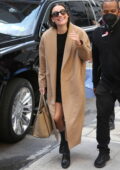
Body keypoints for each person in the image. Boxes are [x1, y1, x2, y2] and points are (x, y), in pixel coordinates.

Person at [38, 3, 91, 169]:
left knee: (71, 118)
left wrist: (79, 44)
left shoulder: (79, 32)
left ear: (67, 14)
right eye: (55, 14)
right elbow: (42, 62)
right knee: (56, 117)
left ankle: (66, 149)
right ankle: (64, 138)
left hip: (72, 84)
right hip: (55, 85)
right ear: (52, 18)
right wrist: (42, 83)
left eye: (62, 12)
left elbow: (87, 56)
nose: (59, 15)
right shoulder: (47, 36)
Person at [92, 0, 120, 168]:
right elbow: (96, 60)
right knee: (102, 118)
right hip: (106, 83)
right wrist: (95, 83)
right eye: (106, 11)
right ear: (101, 12)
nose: (109, 13)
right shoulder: (97, 33)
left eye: (113, 10)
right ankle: (103, 151)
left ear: (119, 11)